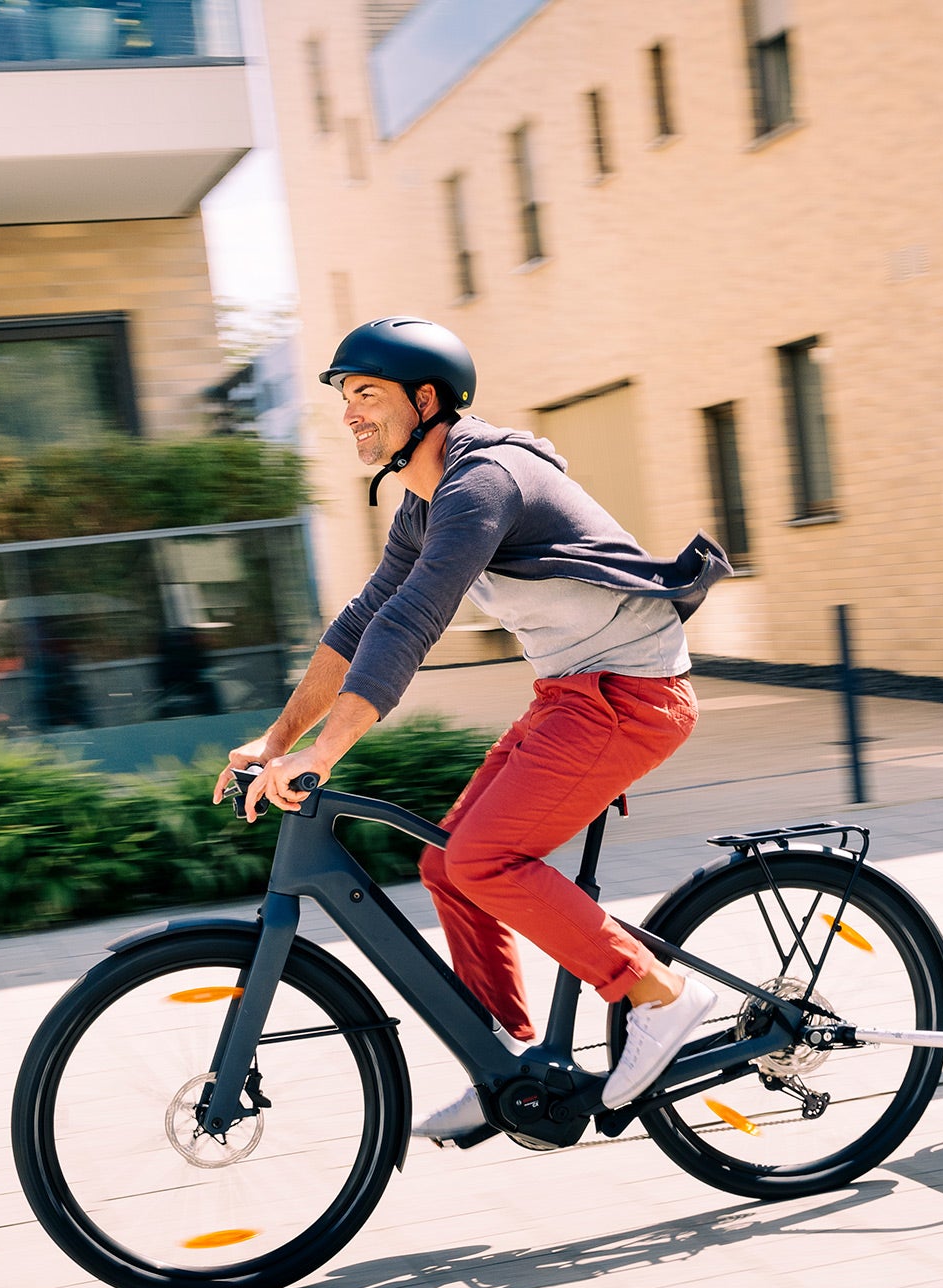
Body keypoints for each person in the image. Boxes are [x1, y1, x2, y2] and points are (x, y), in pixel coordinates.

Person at [213, 317, 733, 1136]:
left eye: (367, 395)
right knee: (448, 864)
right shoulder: (426, 502)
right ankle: (505, 1063)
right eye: (345, 398)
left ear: (426, 400)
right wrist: (278, 740)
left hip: (633, 694)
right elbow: (361, 622)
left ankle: (659, 992)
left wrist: (326, 751)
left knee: (487, 858)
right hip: (574, 692)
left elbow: (414, 621)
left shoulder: (482, 482)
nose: (350, 413)